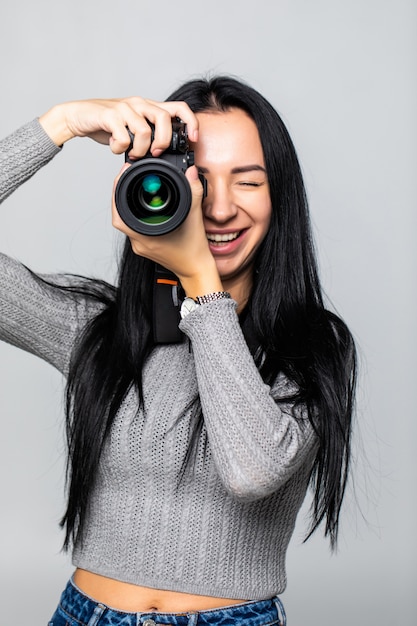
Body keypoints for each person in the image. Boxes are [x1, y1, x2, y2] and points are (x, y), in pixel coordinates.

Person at [0, 75, 356, 626]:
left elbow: (252, 470)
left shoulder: (313, 346)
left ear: (279, 197)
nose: (217, 208)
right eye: (198, 179)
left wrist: (198, 278)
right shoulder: (97, 330)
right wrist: (61, 124)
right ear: (154, 185)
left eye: (248, 181)